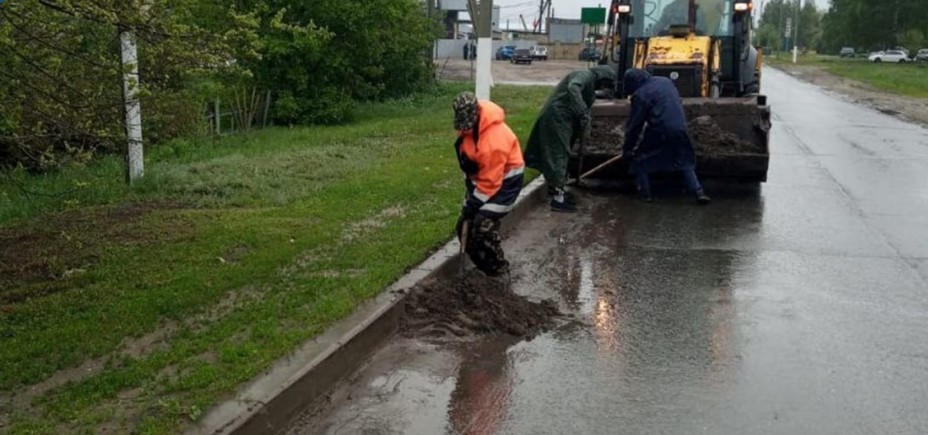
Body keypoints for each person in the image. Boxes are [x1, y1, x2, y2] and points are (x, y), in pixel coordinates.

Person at [524, 65, 618, 212]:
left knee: (561, 153)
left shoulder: (590, 83)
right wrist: (582, 110)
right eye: (606, 83)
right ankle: (558, 199)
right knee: (559, 153)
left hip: (564, 119)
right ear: (601, 78)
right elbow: (573, 87)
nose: (604, 87)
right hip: (558, 117)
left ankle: (556, 188)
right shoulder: (584, 74)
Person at [451, 92, 525, 277]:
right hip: (484, 179)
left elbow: (490, 182)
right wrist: (470, 193)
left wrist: (473, 204)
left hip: (507, 183)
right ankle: (483, 268)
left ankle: (498, 270)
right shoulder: (468, 129)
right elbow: (472, 166)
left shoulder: (494, 141)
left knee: (481, 225)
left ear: (475, 115)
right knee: (463, 226)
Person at [623, 68, 711, 204]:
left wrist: (628, 149)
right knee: (684, 160)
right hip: (680, 128)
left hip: (659, 130)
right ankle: (699, 192)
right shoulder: (665, 82)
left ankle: (645, 195)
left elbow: (635, 126)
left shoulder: (640, 95)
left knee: (640, 160)